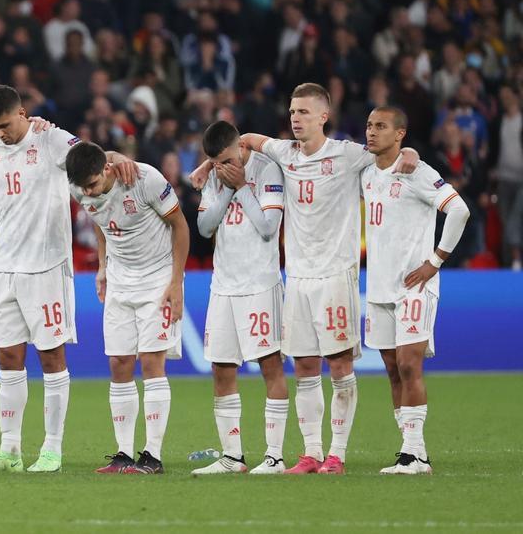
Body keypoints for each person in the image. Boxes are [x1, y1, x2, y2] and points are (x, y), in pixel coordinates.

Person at [234, 82, 419, 475]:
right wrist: (208, 163)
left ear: (323, 116)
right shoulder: (284, 152)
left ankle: (337, 454)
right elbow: (246, 138)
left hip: (336, 275)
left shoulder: (349, 155)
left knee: (338, 366)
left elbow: (390, 150)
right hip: (297, 277)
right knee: (303, 367)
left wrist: (411, 152)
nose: (295, 119)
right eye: (291, 112)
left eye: (303, 112)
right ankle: (311, 453)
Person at [0, 85, 135, 473]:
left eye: (4, 124)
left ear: (22, 113)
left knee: (51, 355)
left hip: (47, 265)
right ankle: (10, 450)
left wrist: (116, 156)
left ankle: (52, 449)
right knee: (7, 355)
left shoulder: (51, 138)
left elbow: (90, 158)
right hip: (4, 266)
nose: (0, 133)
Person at [66, 142, 188, 475]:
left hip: (157, 278)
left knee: (151, 361)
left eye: (92, 185)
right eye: (83, 188)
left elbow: (180, 226)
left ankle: (152, 455)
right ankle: (122, 454)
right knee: (119, 362)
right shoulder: (80, 190)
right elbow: (103, 222)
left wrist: (176, 282)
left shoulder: (144, 178)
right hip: (120, 280)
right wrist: (103, 266)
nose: (88, 193)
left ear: (107, 169)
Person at [362, 107, 470, 474]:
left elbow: (459, 211)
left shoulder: (418, 172)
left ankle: (413, 453)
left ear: (400, 134)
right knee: (393, 369)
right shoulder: (364, 170)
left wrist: (435, 261)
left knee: (410, 364)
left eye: (381, 127)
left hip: (415, 286)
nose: (372, 132)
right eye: (370, 125)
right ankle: (412, 450)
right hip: (377, 287)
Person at [191, 121, 290, 474]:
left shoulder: (268, 169)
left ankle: (274, 456)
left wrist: (242, 187)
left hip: (260, 283)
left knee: (270, 364)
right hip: (223, 285)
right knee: (221, 368)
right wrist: (227, 186)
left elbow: (267, 228)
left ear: (242, 148)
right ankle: (232, 457)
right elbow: (204, 228)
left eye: (228, 159)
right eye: (216, 162)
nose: (223, 167)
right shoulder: (218, 175)